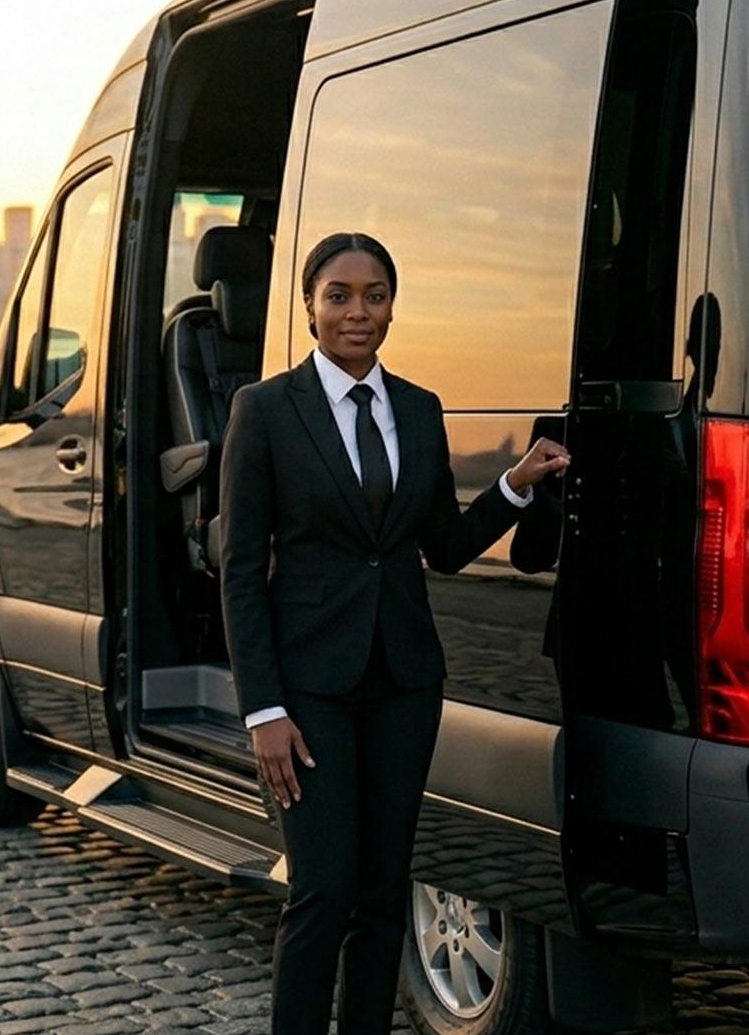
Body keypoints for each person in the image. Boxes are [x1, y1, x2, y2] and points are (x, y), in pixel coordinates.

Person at [218, 231, 571, 1035]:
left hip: (405, 685)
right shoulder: (266, 411)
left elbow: (441, 545)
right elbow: (240, 570)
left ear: (392, 307)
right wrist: (263, 709)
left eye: (374, 295)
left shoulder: (417, 408)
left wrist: (514, 486)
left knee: (384, 891)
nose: (357, 312)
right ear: (309, 306)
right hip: (309, 694)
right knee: (323, 890)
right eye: (338, 295)